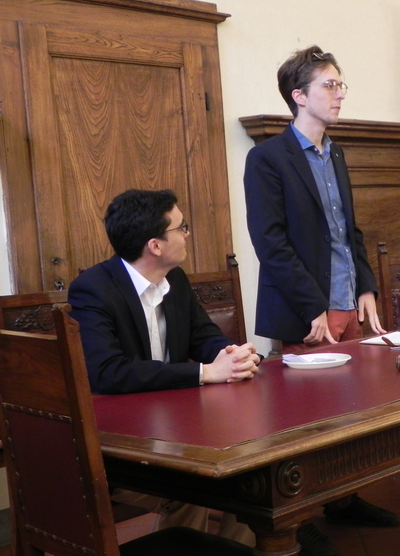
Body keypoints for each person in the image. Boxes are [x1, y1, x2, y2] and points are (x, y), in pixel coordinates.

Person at [243, 46, 397, 555]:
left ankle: (343, 499)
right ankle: (299, 518)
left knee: (349, 413)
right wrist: (313, 306)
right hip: (306, 309)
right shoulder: (267, 158)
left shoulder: (337, 153)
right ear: (299, 96)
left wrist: (366, 287)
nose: (339, 94)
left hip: (347, 300)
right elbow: (271, 243)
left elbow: (348, 233)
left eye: (340, 84)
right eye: (329, 85)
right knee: (306, 424)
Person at [67, 188, 261, 542]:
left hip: (176, 426)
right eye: (181, 227)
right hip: (119, 439)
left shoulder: (176, 279)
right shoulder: (93, 288)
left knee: (250, 476)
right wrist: (205, 372)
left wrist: (233, 356)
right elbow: (107, 372)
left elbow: (203, 336)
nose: (188, 234)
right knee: (195, 484)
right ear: (155, 246)